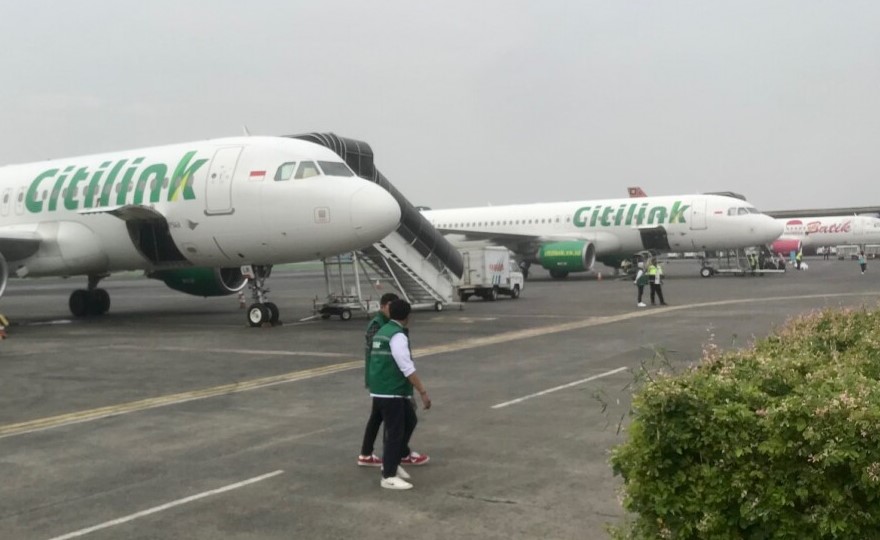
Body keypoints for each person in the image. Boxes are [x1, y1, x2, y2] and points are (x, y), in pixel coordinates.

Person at [358, 293, 429, 468]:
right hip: (387, 381)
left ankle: (382, 455)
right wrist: (422, 391)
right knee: (396, 422)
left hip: (384, 381)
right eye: (390, 305)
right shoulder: (382, 327)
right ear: (383, 306)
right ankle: (392, 461)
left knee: (385, 418)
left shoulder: (388, 327)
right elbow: (379, 356)